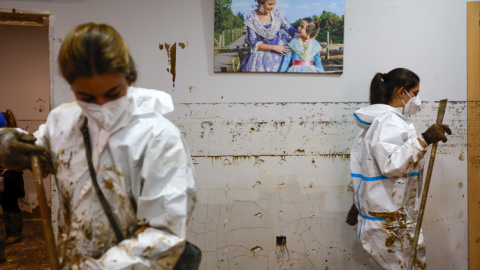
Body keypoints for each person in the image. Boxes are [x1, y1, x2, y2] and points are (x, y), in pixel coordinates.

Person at [0, 23, 200, 269]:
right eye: (87, 98)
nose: (102, 106)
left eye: (113, 93)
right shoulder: (63, 120)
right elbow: (40, 153)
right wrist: (9, 143)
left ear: (129, 78)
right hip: (70, 258)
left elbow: (163, 236)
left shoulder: (159, 137)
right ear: (72, 88)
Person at [346, 68, 452, 269]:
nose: (417, 99)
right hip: (390, 224)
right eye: (415, 93)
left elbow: (365, 169)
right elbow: (392, 164)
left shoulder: (376, 123)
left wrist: (357, 203)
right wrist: (424, 140)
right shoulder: (390, 122)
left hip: (384, 220)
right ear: (400, 92)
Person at [240, 0, 297, 72]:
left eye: (274, 4)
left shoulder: (277, 13)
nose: (273, 7)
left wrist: (305, 36)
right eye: (270, 4)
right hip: (260, 57)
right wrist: (274, 47)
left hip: (281, 52)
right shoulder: (251, 18)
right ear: (261, 3)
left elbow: (290, 29)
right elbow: (253, 43)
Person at [0, 110, 25, 245]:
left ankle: (16, 233)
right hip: (4, 176)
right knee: (5, 204)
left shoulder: (14, 137)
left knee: (11, 204)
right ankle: (9, 231)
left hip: (11, 176)